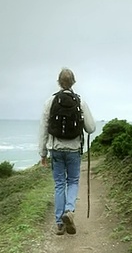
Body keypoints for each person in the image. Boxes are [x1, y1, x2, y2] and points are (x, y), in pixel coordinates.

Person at [38, 68, 96, 235]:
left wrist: (43, 154)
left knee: (59, 184)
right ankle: (69, 211)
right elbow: (91, 128)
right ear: (73, 82)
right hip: (73, 149)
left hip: (56, 149)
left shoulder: (50, 101)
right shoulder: (80, 101)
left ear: (58, 82)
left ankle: (59, 223)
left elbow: (43, 128)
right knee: (73, 181)